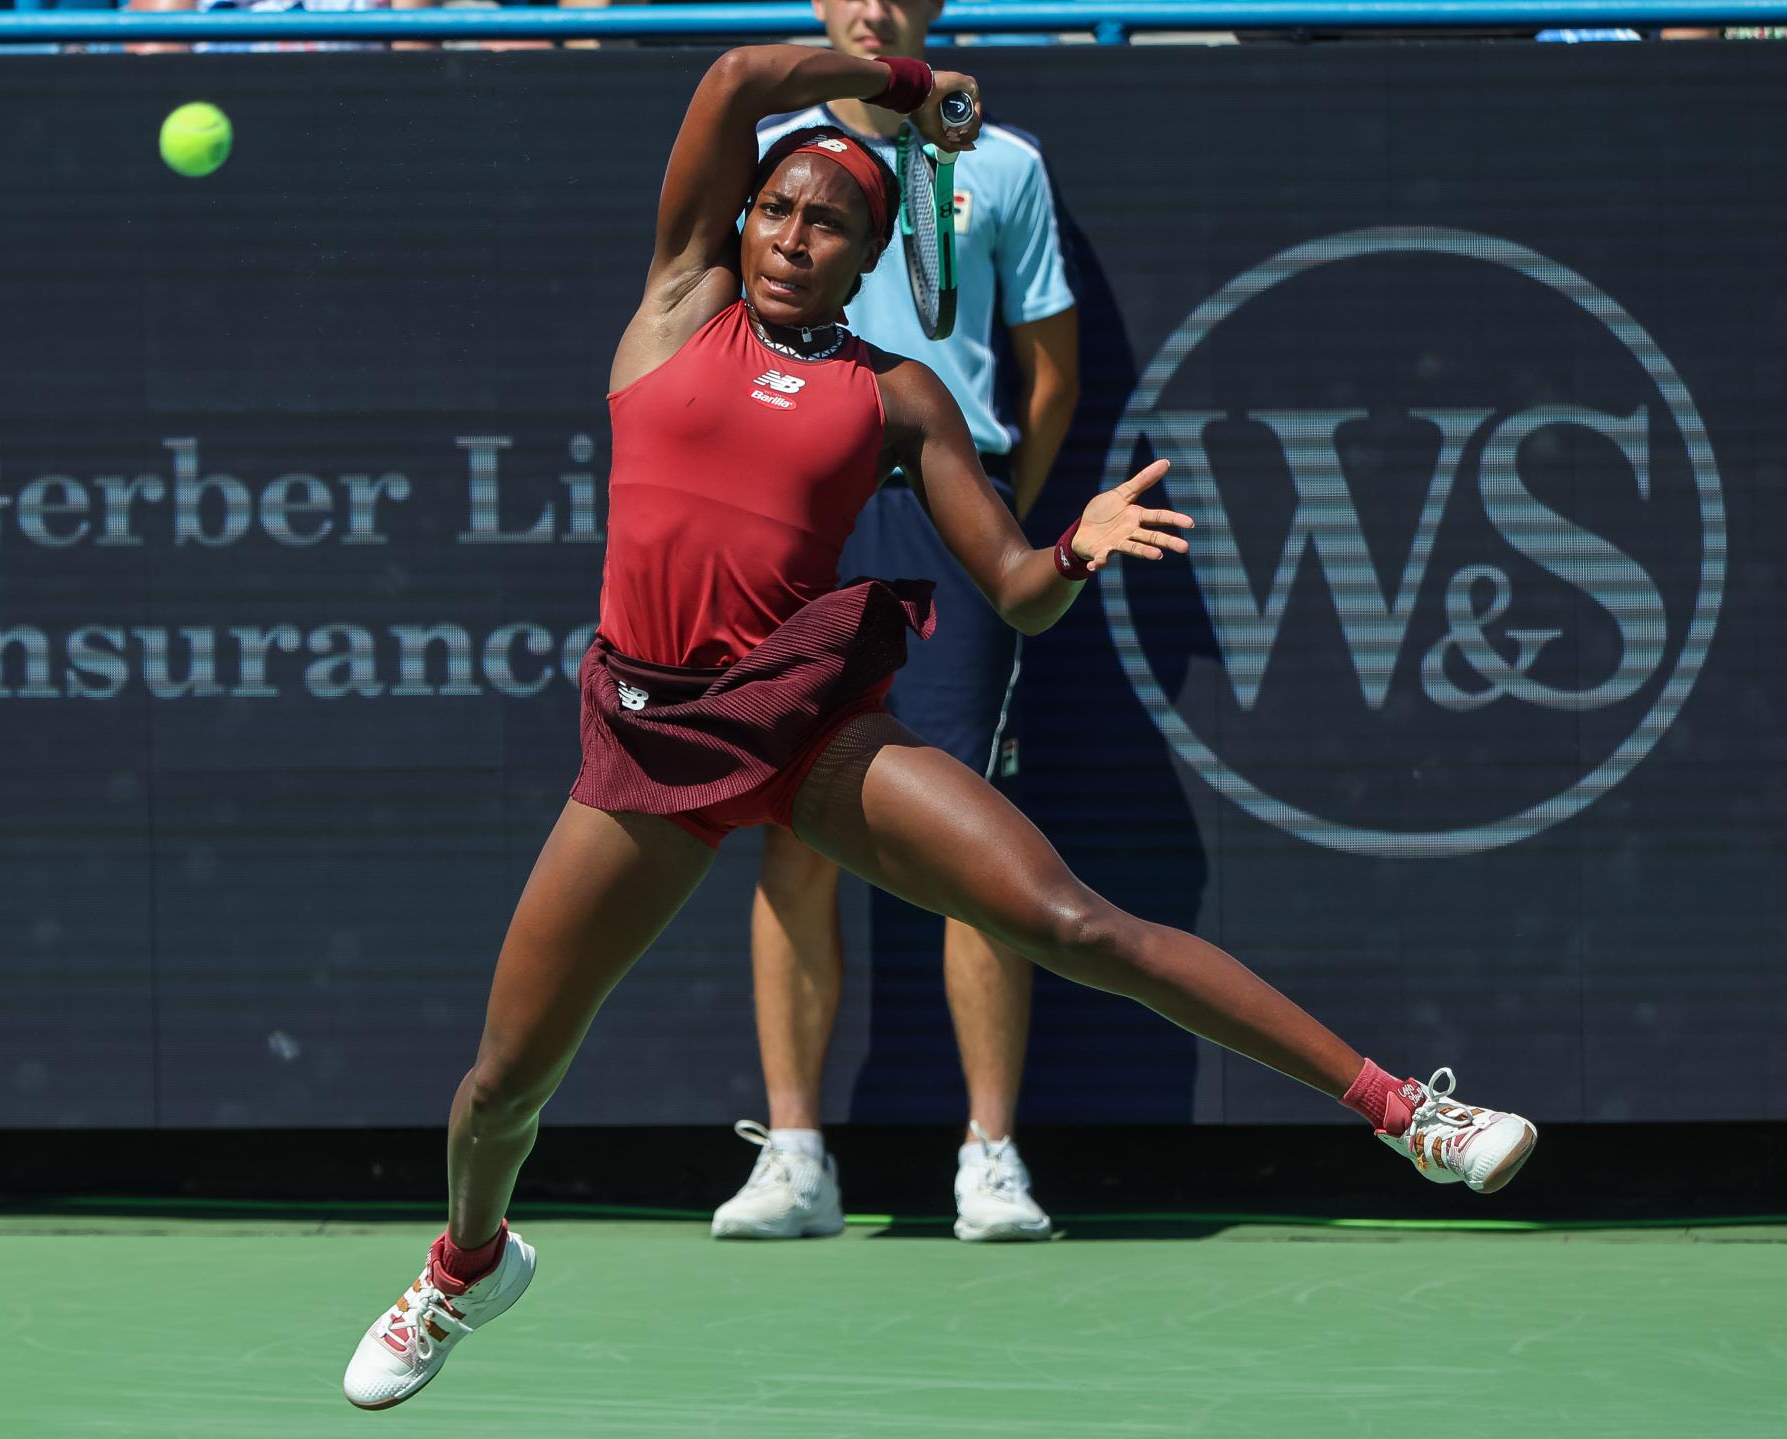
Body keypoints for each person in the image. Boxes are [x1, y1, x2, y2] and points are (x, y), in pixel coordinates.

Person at [342, 44, 1538, 1412]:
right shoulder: (680, 306)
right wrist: (907, 85)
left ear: (869, 260)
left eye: (828, 222)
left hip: (809, 728)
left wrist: (1077, 544)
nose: (792, 235)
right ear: (742, 222)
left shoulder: (898, 399)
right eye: (777, 210)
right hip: (646, 744)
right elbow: (739, 76)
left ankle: (1407, 1111)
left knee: (1073, 919)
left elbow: (1021, 597)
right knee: (504, 1081)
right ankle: (464, 1265)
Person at [713, 0, 1080, 1246]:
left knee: (980, 847)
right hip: (792, 501)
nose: (873, 5)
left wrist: (979, 518)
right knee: (791, 833)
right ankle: (798, 1157)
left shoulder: (1008, 163)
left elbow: (1051, 370)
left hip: (942, 507)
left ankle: (991, 1156)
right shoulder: (777, 152)